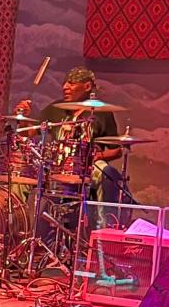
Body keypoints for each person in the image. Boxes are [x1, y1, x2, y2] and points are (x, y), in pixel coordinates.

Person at [16, 64, 126, 204]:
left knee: (105, 174)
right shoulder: (55, 108)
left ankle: (103, 223)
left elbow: (117, 151)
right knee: (21, 175)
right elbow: (29, 133)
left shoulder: (102, 113)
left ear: (87, 87)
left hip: (87, 168)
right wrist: (24, 118)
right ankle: (19, 222)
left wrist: (97, 156)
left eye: (72, 84)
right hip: (55, 166)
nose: (65, 87)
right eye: (65, 83)